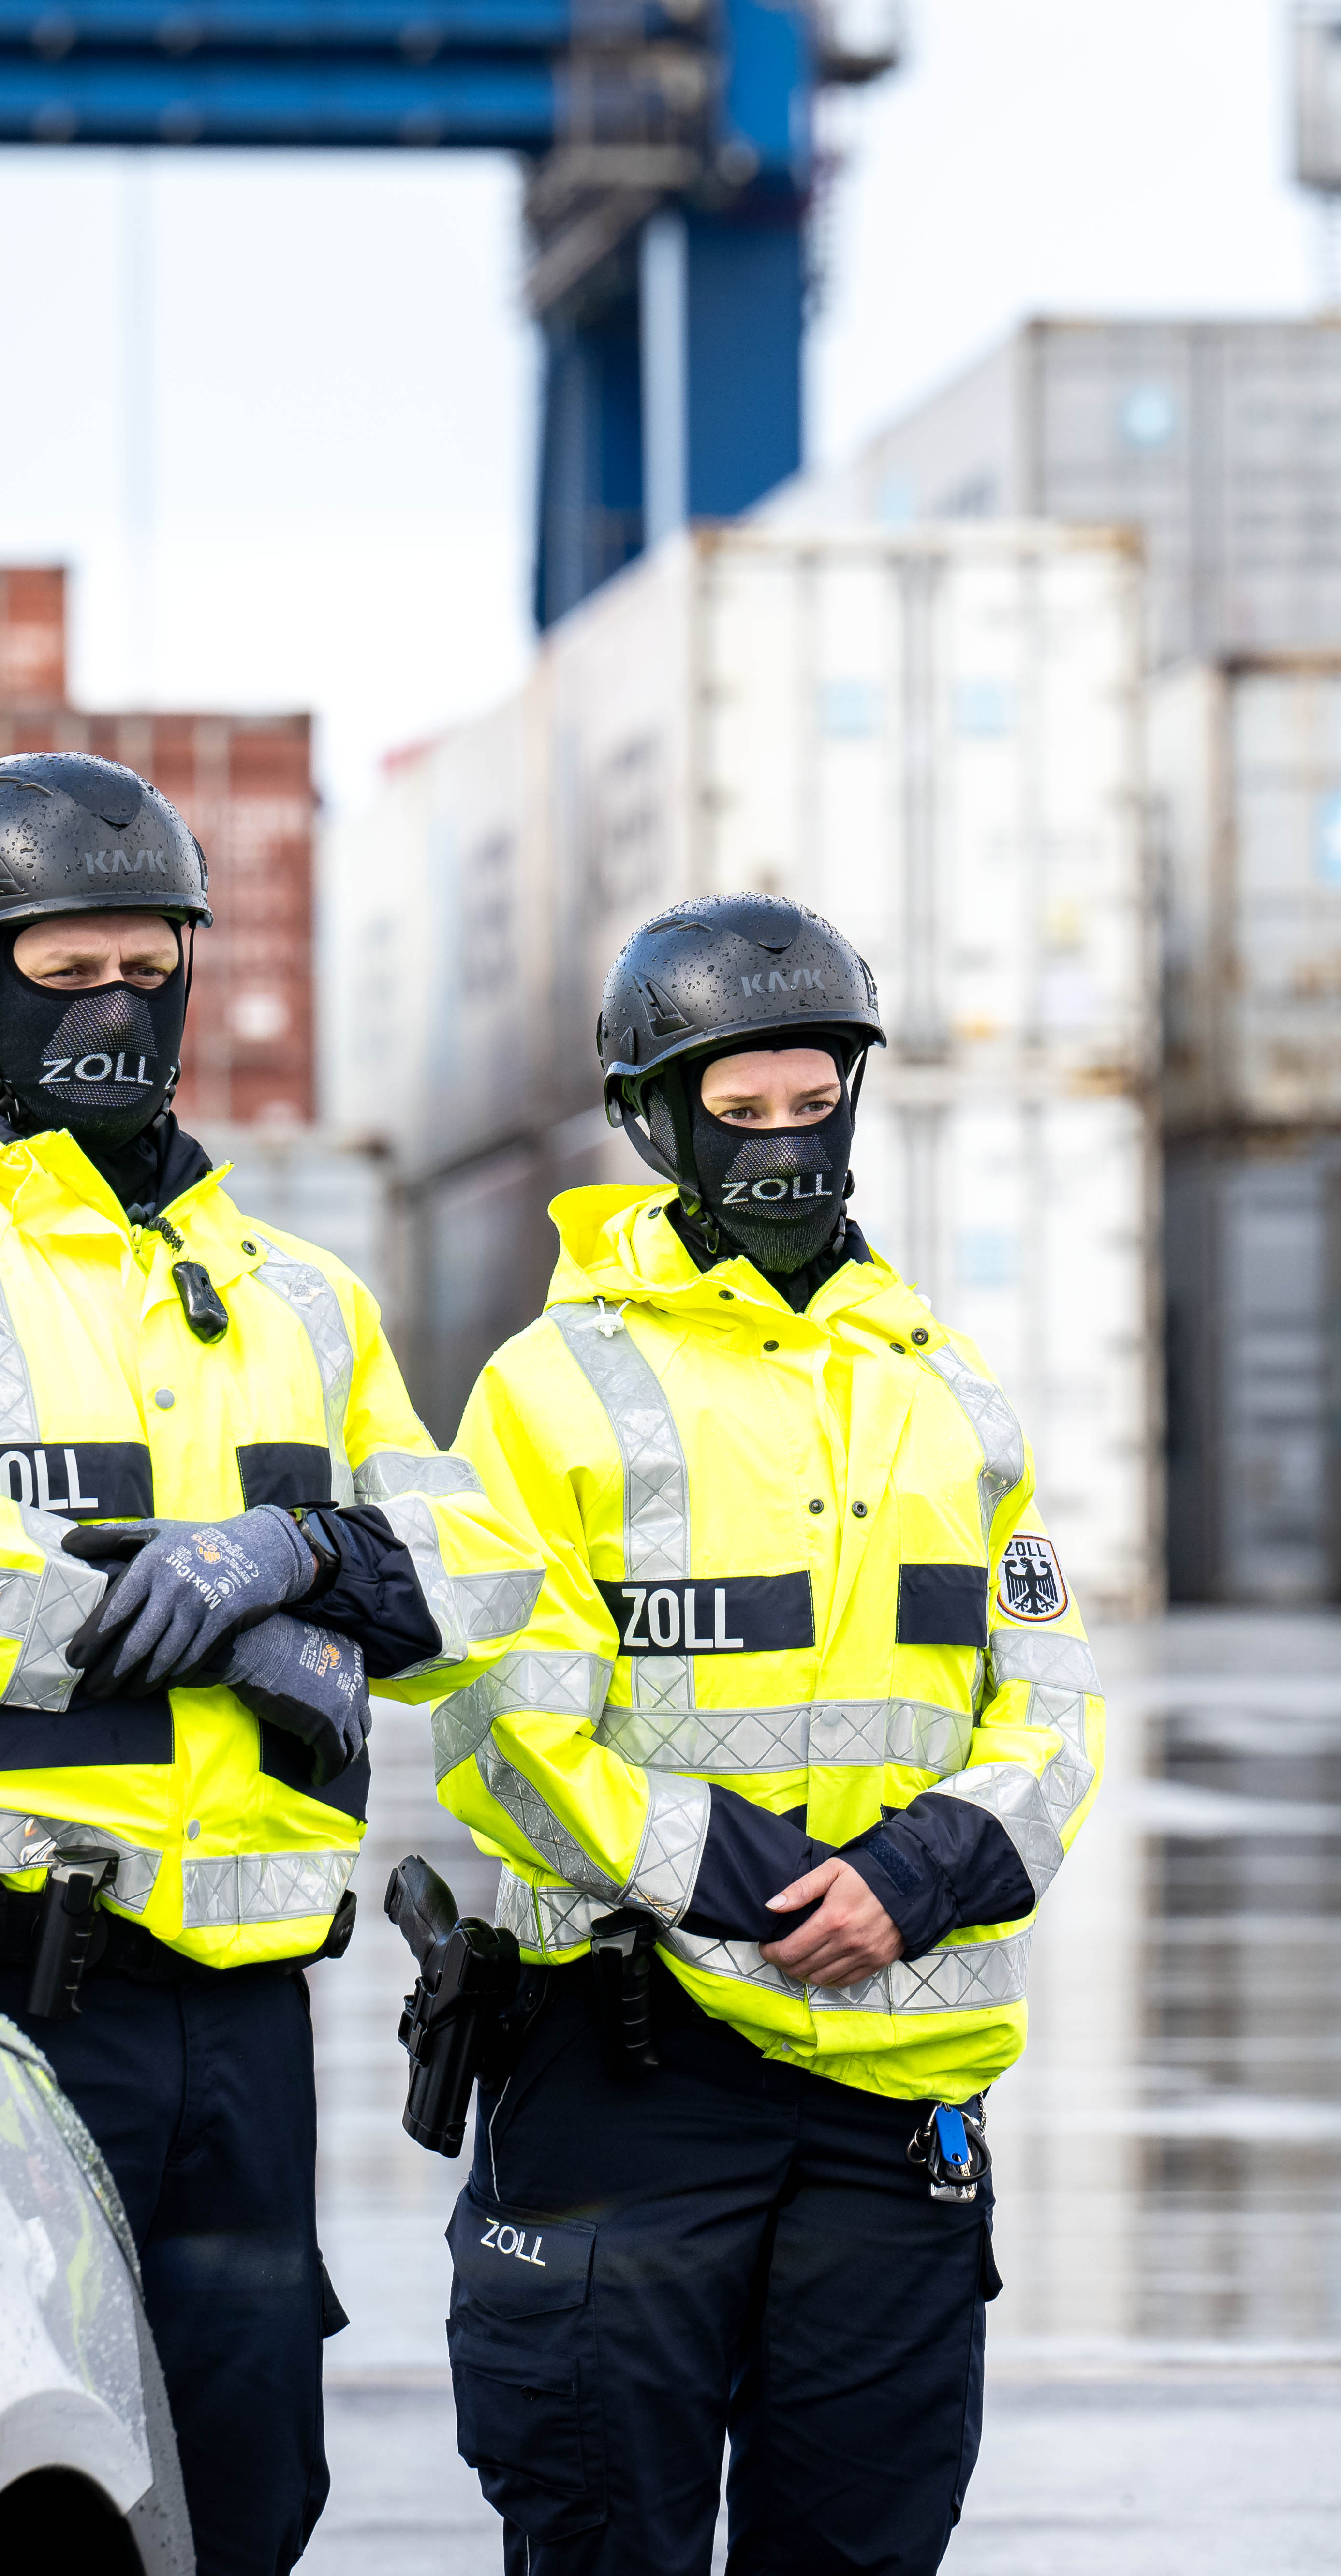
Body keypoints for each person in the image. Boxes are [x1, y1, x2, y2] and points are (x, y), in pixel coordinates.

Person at [0, 750, 604, 2575]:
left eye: (150, 967)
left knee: (250, 2482)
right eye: (63, 974)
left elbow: (487, 1569)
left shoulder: (298, 1292)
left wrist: (303, 1547)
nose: (114, 1009)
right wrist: (227, 1614)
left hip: (243, 2023)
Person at [427, 894, 1106, 2576]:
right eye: (741, 1114)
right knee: (604, 2540)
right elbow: (514, 1730)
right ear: (653, 1120)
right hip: (630, 2069)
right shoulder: (548, 1390)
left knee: (862, 2549)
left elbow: (1051, 1700)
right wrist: (768, 1884)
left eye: (816, 1104)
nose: (787, 1147)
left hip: (894, 2093)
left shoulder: (950, 1389)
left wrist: (917, 1875)